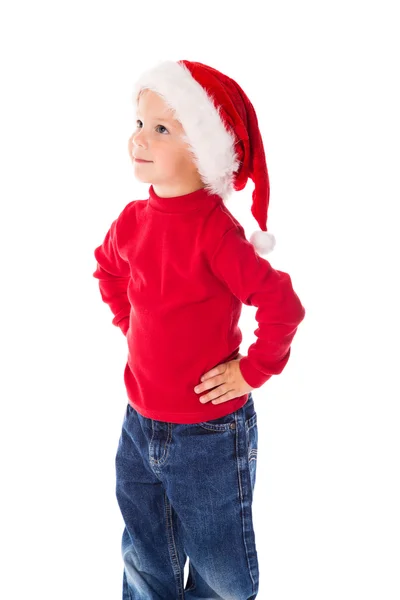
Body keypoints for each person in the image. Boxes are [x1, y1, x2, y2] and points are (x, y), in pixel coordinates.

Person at [93, 59, 306, 600]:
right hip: (140, 423)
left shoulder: (216, 233)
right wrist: (129, 323)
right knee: (145, 556)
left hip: (210, 434)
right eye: (139, 124)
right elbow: (108, 268)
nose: (139, 139)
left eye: (161, 129)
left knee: (220, 571)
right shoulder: (133, 222)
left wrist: (253, 370)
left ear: (203, 150)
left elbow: (282, 306)